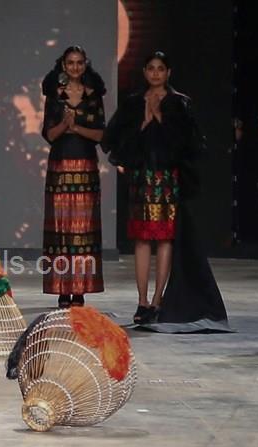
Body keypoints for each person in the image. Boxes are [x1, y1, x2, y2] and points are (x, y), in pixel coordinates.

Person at [102, 51, 229, 333]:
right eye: (151, 68)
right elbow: (113, 139)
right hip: (141, 178)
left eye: (161, 68)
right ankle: (142, 301)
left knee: (164, 239)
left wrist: (160, 118)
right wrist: (144, 124)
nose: (156, 73)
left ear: (168, 72)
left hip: (168, 179)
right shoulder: (134, 102)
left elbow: (192, 144)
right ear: (145, 72)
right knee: (141, 240)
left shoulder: (179, 103)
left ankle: (158, 299)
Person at [40, 46, 106, 308]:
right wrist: (64, 126)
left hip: (86, 165)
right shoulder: (55, 96)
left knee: (84, 228)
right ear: (63, 65)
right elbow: (49, 134)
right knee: (61, 227)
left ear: (85, 64)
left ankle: (80, 289)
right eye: (71, 63)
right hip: (60, 166)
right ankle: (61, 288)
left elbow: (100, 134)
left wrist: (75, 127)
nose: (75, 67)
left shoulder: (93, 95)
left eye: (79, 62)